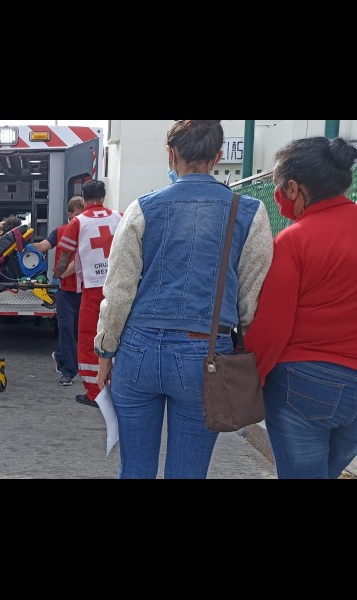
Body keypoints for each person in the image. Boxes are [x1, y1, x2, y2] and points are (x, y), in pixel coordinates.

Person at [95, 120, 274, 479]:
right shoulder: (249, 212)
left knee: (135, 469)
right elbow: (249, 295)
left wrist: (105, 352)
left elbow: (118, 290)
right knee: (189, 471)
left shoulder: (142, 209)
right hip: (205, 351)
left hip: (137, 349)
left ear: (171, 154)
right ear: (217, 157)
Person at [244, 136, 357, 479]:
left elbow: (272, 327)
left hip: (303, 382)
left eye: (278, 188)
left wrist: (251, 379)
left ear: (293, 189)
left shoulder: (293, 241)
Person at [54, 181, 121, 405]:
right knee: (116, 338)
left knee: (89, 340)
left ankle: (95, 393)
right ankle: (116, 388)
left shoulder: (78, 222)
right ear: (103, 197)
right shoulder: (120, 217)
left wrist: (58, 273)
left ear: (83, 199)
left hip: (92, 291)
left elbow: (65, 256)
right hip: (117, 289)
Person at [32, 196, 86, 386]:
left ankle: (62, 356)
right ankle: (68, 372)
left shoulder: (88, 232)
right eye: (78, 215)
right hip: (66, 290)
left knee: (77, 332)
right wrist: (23, 246)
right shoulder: (60, 232)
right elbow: (43, 247)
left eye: (84, 214)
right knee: (66, 331)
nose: (81, 219)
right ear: (70, 214)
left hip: (85, 291)